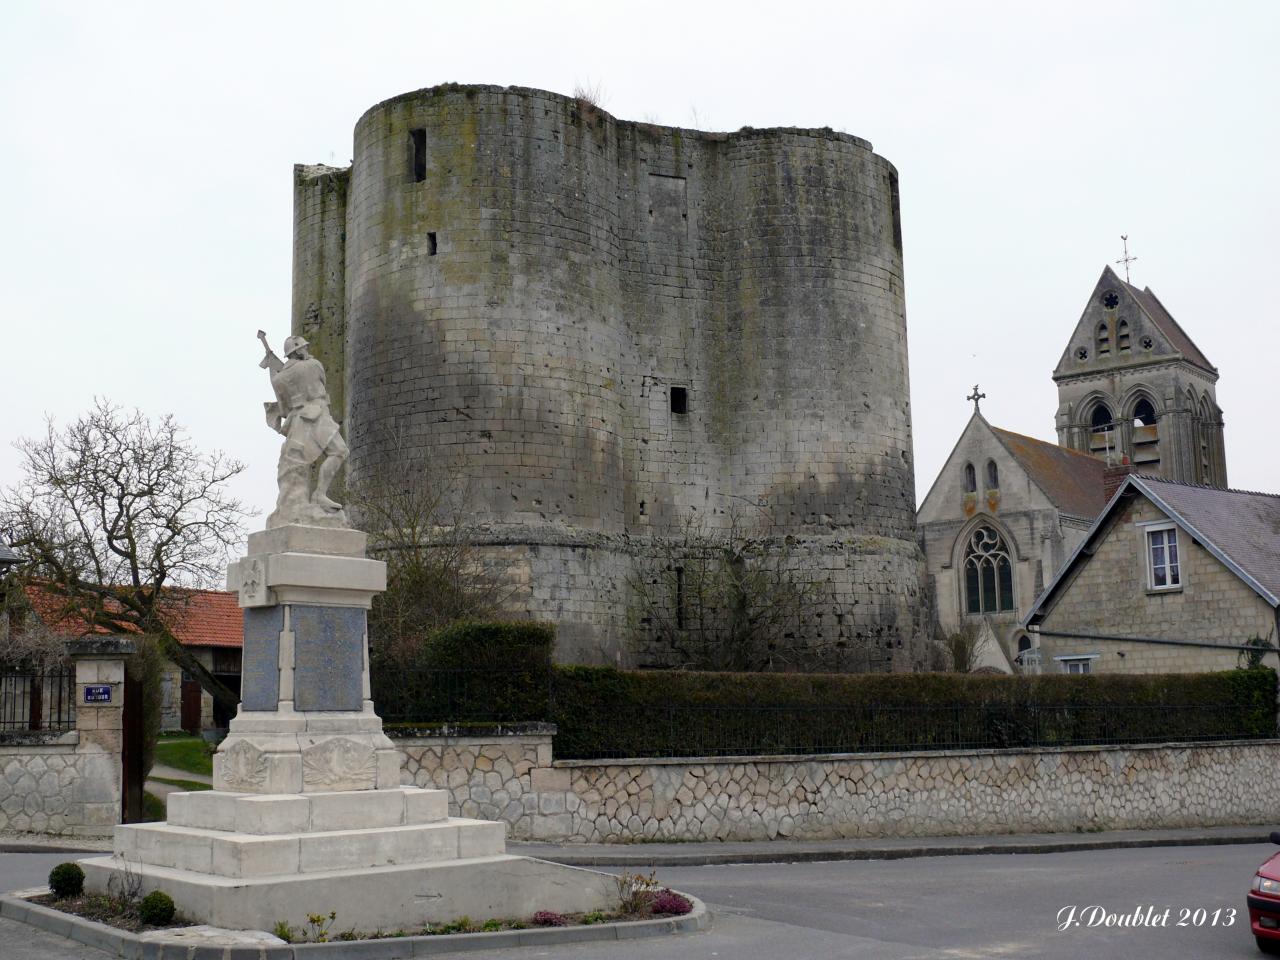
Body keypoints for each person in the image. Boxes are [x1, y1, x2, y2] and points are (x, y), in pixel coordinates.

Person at [257, 330, 349, 528]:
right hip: (317, 414)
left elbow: (282, 401)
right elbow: (320, 381)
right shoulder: (313, 365)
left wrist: (275, 370)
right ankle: (320, 494)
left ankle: (315, 497)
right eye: (304, 347)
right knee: (339, 451)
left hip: (298, 420)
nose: (307, 349)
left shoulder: (280, 378)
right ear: (298, 351)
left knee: (301, 464)